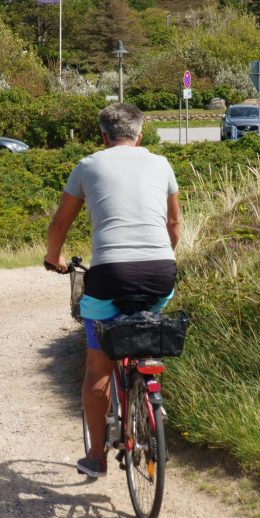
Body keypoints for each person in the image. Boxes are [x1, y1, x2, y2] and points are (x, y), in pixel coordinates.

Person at [44, 102, 180, 478]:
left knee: (98, 370)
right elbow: (174, 226)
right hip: (161, 272)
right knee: (144, 328)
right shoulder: (162, 164)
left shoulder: (88, 165)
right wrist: (157, 260)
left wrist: (53, 258)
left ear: (102, 135)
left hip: (110, 275)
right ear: (141, 133)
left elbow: (60, 223)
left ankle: (96, 457)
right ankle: (147, 395)